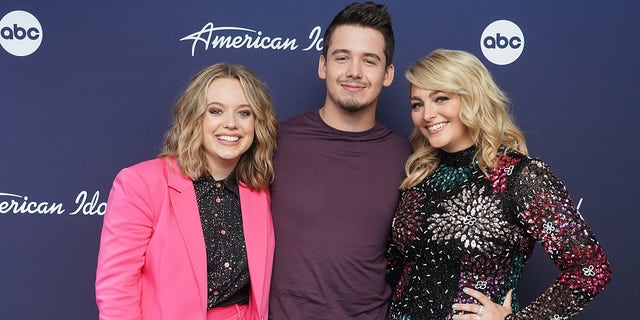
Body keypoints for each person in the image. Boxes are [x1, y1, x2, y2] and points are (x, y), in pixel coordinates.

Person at [385, 49, 612, 320]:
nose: (427, 114)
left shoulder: (520, 177)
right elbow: (385, 261)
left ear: (473, 98)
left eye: (441, 98)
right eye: (417, 104)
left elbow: (591, 268)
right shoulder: (419, 177)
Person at [95, 63, 279, 320]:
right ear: (195, 118)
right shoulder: (140, 183)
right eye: (216, 111)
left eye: (244, 113)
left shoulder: (261, 191)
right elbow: (117, 288)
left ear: (257, 123)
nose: (231, 124)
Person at [268, 2, 412, 320]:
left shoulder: (409, 160)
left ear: (388, 74)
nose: (354, 72)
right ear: (323, 65)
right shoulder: (274, 141)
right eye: (342, 57)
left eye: (369, 61)